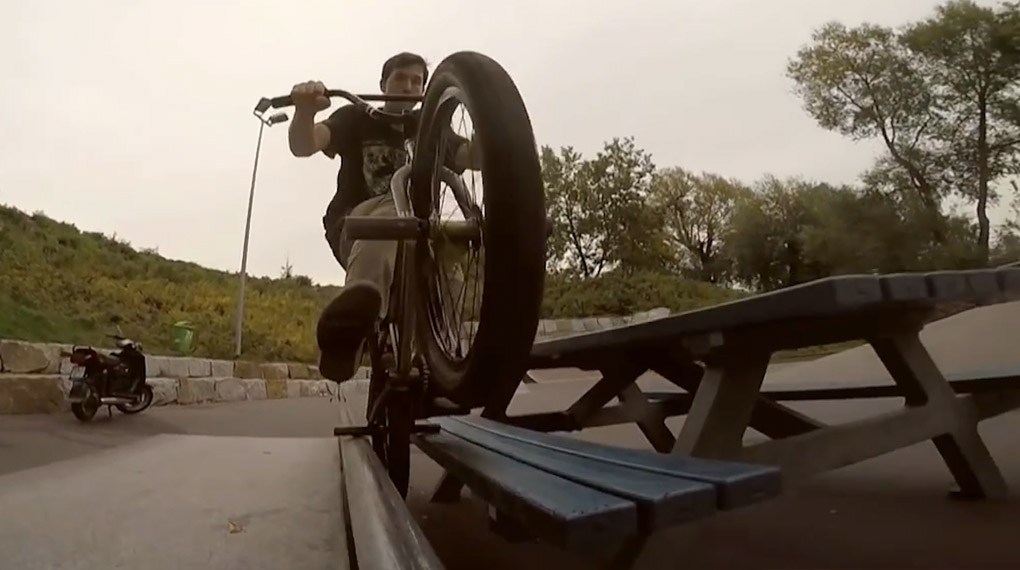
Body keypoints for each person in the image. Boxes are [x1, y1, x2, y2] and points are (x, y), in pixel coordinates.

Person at [287, 51, 482, 383]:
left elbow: (473, 157)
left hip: (422, 230)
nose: (408, 87)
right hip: (361, 219)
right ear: (383, 83)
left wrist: (492, 120)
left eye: (416, 81)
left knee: (451, 272)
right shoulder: (356, 117)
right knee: (393, 215)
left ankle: (438, 359)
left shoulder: (431, 126)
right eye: (400, 79)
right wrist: (304, 112)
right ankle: (350, 338)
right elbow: (305, 144)